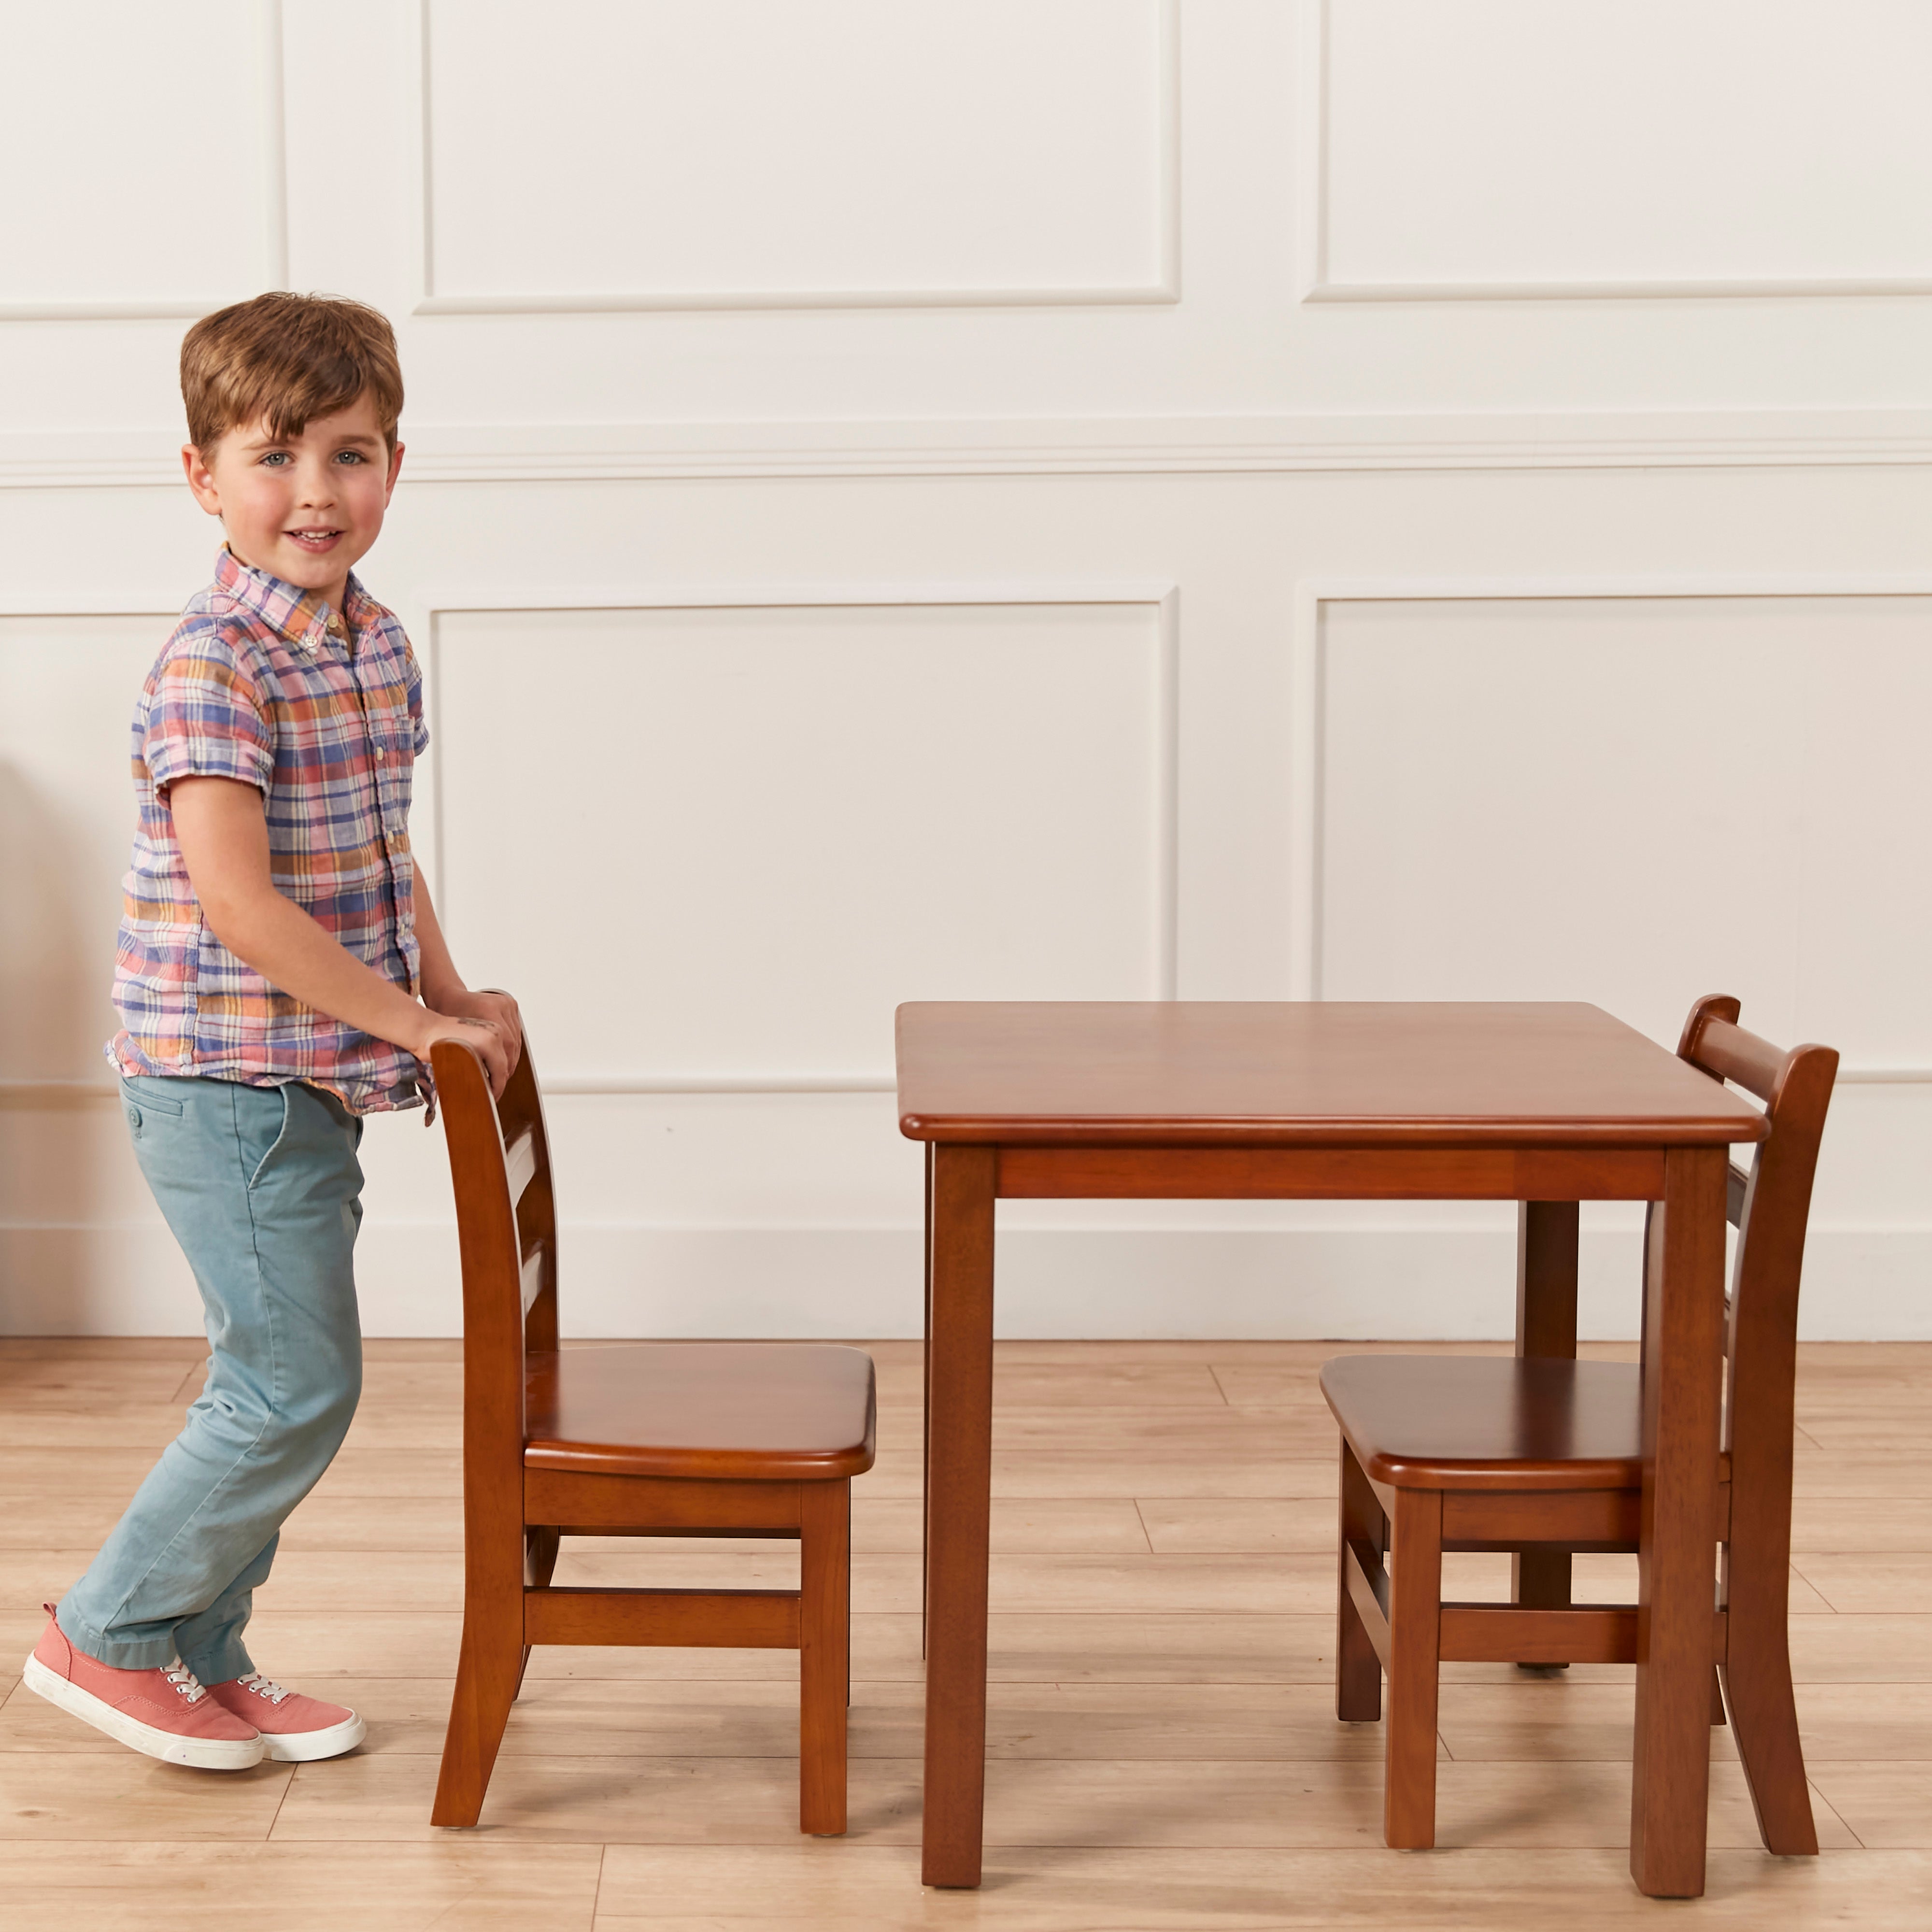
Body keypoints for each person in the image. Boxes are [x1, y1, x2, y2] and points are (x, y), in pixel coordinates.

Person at [22, 292, 519, 1769]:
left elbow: (380, 855)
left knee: (289, 1373)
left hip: (311, 1070)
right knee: (290, 1381)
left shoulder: (368, 644)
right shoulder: (214, 665)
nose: (317, 492)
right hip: (223, 1072)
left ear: (397, 464)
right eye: (276, 456)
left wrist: (453, 993)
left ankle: (202, 1649)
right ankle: (107, 1630)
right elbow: (239, 904)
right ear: (202, 475)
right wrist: (415, 1027)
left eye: (352, 455)